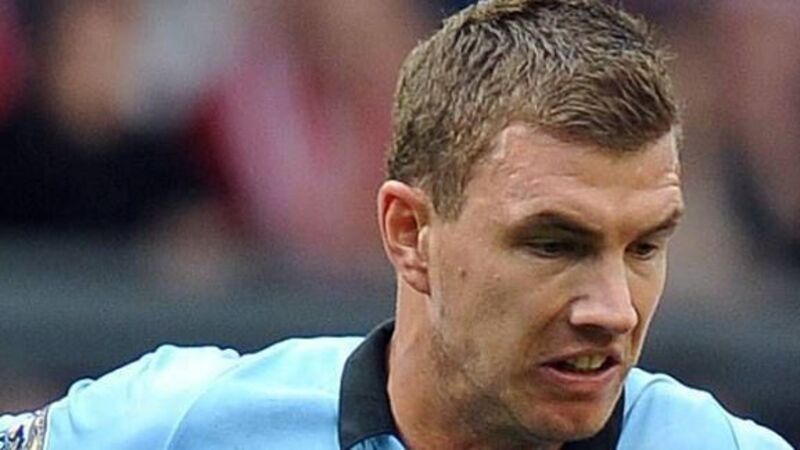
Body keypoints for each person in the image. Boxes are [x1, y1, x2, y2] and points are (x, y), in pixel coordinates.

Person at [0, 0, 792, 448]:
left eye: (646, 245)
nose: (614, 309)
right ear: (410, 233)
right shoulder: (183, 423)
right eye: (554, 243)